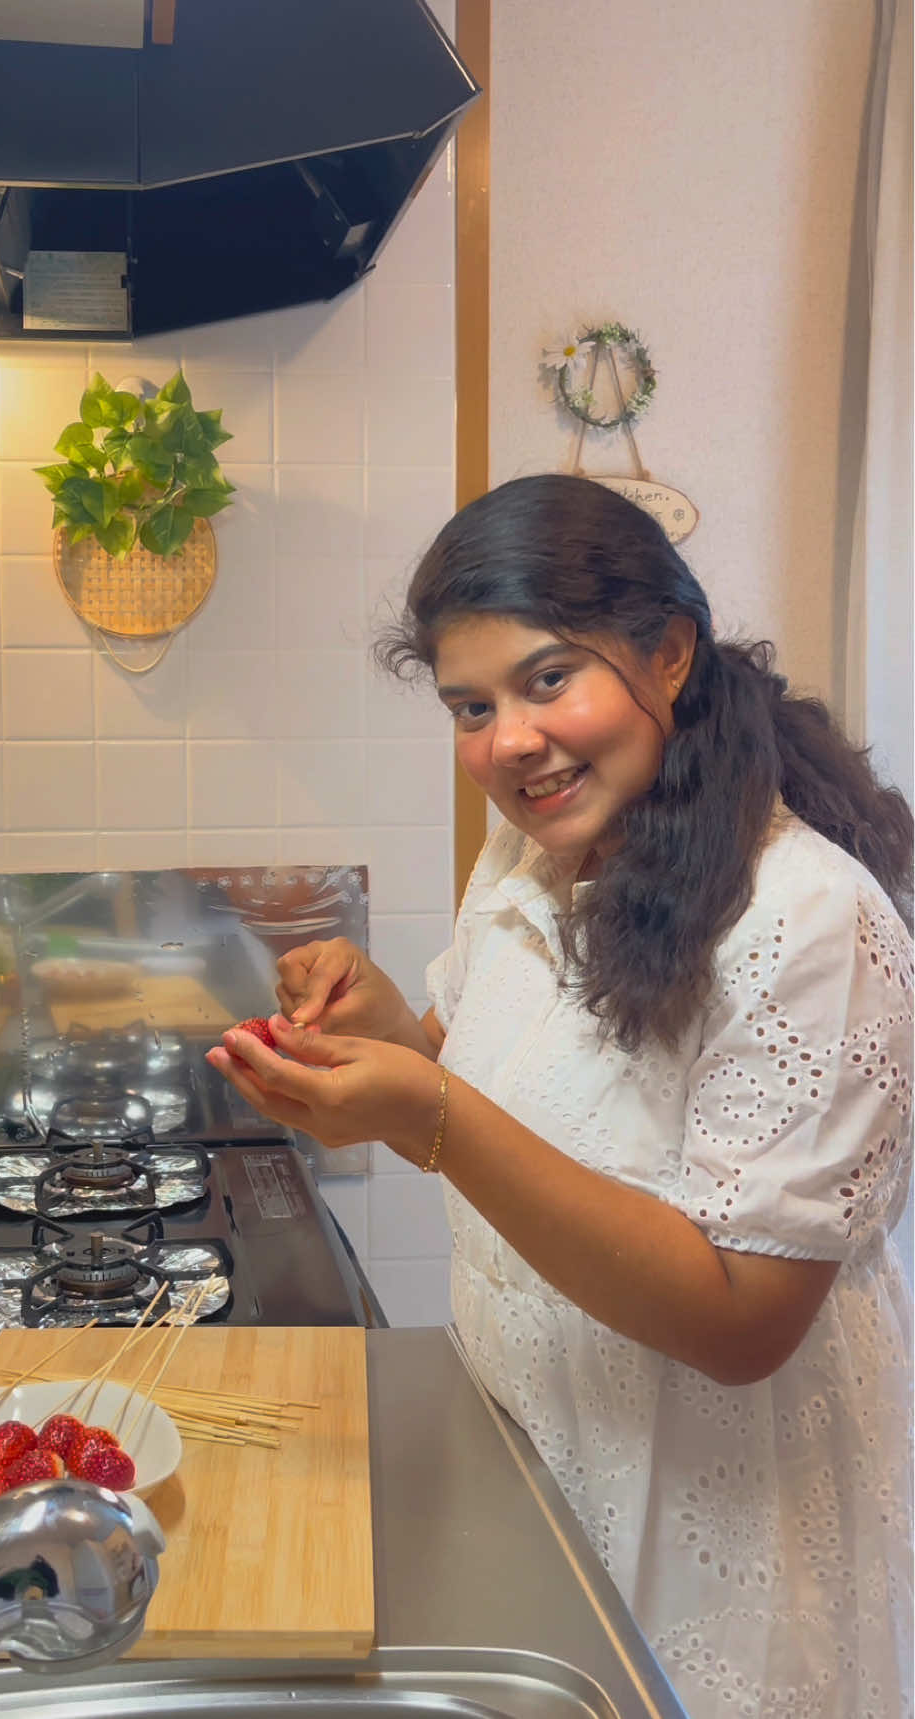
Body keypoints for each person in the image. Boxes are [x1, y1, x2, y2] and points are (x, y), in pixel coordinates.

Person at [206, 474, 914, 1719]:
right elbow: (479, 1073)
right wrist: (382, 1030)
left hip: (711, 1513)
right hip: (540, 1456)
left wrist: (425, 1113)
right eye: (470, 706)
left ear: (671, 652)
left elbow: (744, 1321)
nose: (510, 740)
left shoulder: (807, 917)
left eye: (548, 680)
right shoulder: (532, 846)